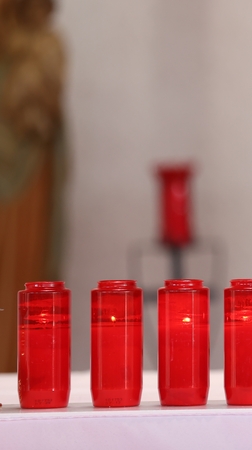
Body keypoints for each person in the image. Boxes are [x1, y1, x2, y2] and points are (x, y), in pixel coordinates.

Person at [0, 0, 66, 372]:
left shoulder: (44, 47)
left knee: (24, 278)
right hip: (24, 171)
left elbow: (40, 114)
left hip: (30, 182)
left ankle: (17, 370)